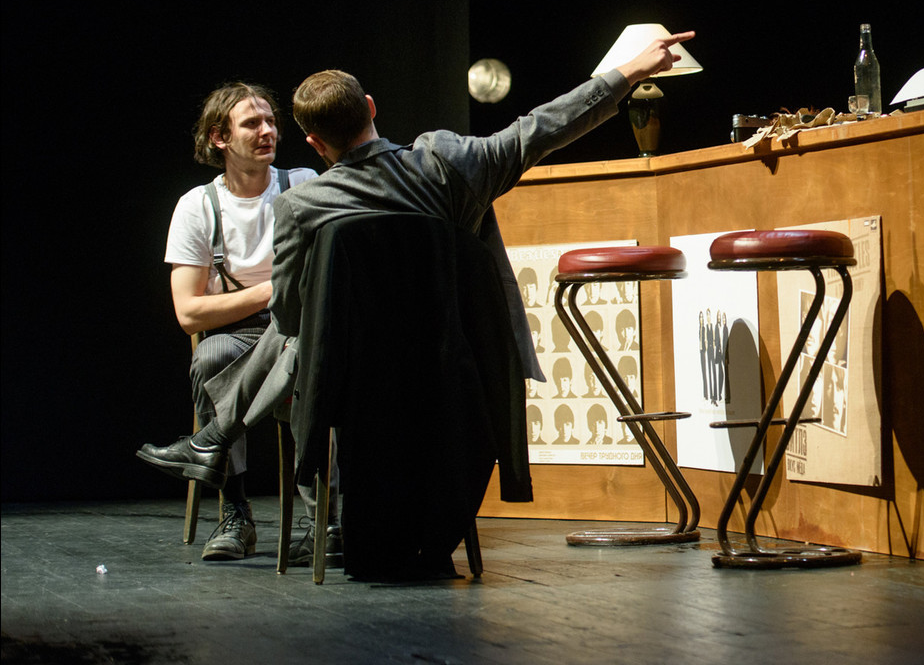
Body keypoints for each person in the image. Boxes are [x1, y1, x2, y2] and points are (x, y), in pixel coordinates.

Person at [137, 31, 697, 513]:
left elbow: (285, 315)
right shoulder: (451, 163)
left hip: (355, 379)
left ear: (313, 142)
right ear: (371, 107)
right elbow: (541, 128)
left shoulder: (304, 205)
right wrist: (629, 73)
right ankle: (225, 447)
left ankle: (240, 457)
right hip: (455, 363)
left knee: (299, 331)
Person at [162, 82, 318, 561]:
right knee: (211, 356)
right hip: (238, 336)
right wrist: (271, 290)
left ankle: (325, 521)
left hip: (298, 331)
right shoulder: (197, 206)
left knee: (315, 366)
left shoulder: (303, 184)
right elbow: (189, 313)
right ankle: (235, 514)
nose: (268, 131)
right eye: (252, 123)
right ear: (219, 137)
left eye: (271, 121)